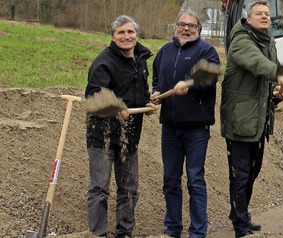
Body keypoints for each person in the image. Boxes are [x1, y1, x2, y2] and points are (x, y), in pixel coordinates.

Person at [219, 1, 283, 237]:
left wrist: (278, 90)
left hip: (259, 120)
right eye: (259, 13)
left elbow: (269, 74)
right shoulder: (240, 40)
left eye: (267, 14)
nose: (265, 17)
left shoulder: (268, 40)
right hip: (241, 119)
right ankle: (240, 226)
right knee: (240, 174)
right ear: (249, 18)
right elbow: (257, 64)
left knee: (253, 170)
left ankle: (240, 213)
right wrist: (277, 74)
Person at [85, 15, 157, 238]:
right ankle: (98, 234)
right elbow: (93, 96)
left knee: (129, 190)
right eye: (121, 33)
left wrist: (147, 101)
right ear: (113, 37)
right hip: (103, 137)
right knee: (100, 189)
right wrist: (115, 107)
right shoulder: (103, 62)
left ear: (137, 34)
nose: (127, 36)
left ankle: (124, 233)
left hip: (130, 137)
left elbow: (137, 90)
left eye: (130, 32)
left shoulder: (140, 59)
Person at [150, 10, 220, 238]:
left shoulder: (206, 51)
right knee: (170, 179)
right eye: (182, 24)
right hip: (169, 127)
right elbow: (156, 78)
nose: (186, 29)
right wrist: (156, 91)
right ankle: (172, 229)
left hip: (196, 128)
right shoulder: (164, 52)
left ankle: (198, 232)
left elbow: (210, 77)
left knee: (194, 179)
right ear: (176, 27)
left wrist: (190, 83)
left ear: (198, 30)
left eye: (191, 26)